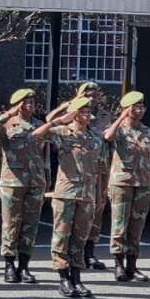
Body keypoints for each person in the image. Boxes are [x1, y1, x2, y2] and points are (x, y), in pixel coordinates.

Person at [33, 96, 103, 297]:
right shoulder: (62, 133)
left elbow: (99, 168)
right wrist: (59, 120)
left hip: (87, 195)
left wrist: (98, 196)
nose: (86, 115)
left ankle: (76, 278)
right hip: (66, 193)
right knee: (62, 236)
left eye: (89, 112)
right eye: (82, 111)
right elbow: (36, 136)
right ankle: (63, 278)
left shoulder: (95, 137)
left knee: (79, 239)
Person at [0, 89, 46, 284]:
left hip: (35, 181)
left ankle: (24, 266)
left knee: (30, 225)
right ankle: (9, 265)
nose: (30, 105)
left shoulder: (38, 124)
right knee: (10, 224)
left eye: (32, 102)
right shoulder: (6, 124)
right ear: (17, 104)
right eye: (26, 102)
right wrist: (8, 114)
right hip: (12, 182)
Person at [46, 82, 112, 270]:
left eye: (94, 95)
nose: (91, 98)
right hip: (70, 180)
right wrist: (69, 107)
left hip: (95, 172)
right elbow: (47, 123)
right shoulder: (69, 117)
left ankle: (87, 255)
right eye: (86, 94)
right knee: (64, 229)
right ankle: (64, 270)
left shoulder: (103, 116)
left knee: (91, 219)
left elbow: (106, 139)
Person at [103, 91, 150, 282]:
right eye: (135, 107)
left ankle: (132, 266)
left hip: (142, 183)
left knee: (137, 226)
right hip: (122, 183)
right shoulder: (119, 130)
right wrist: (121, 118)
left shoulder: (147, 131)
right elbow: (108, 136)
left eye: (141, 107)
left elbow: (148, 159)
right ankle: (118, 264)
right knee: (120, 225)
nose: (139, 111)